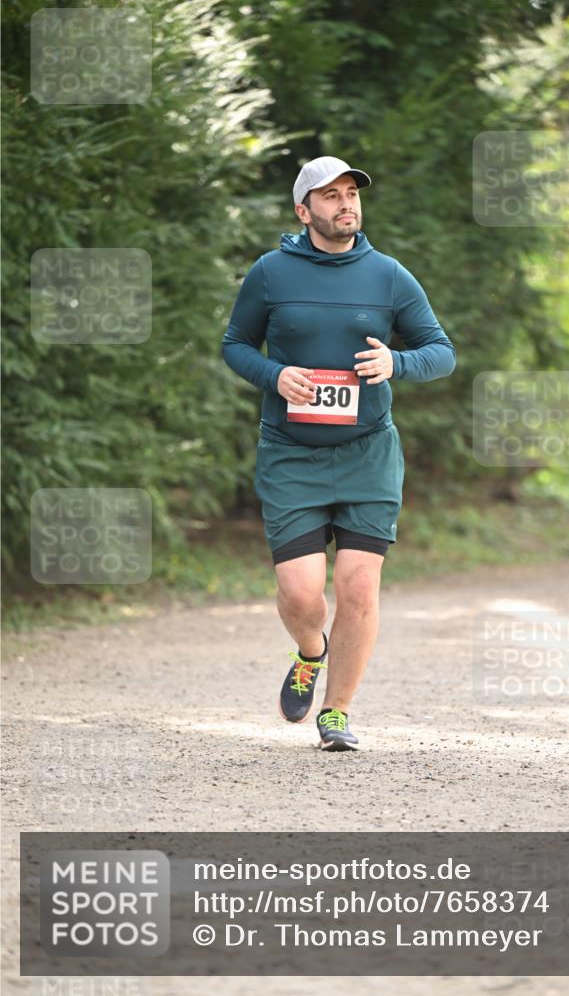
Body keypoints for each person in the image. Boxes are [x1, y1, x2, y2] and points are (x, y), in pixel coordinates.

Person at [222, 156, 456, 751]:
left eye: (350, 192)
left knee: (356, 586)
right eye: (329, 196)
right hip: (290, 455)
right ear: (304, 211)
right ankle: (310, 651)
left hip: (367, 454)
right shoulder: (271, 273)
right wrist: (275, 376)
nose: (344, 203)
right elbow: (236, 345)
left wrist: (396, 363)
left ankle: (337, 714)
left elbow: (441, 350)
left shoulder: (389, 276)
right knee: (302, 594)